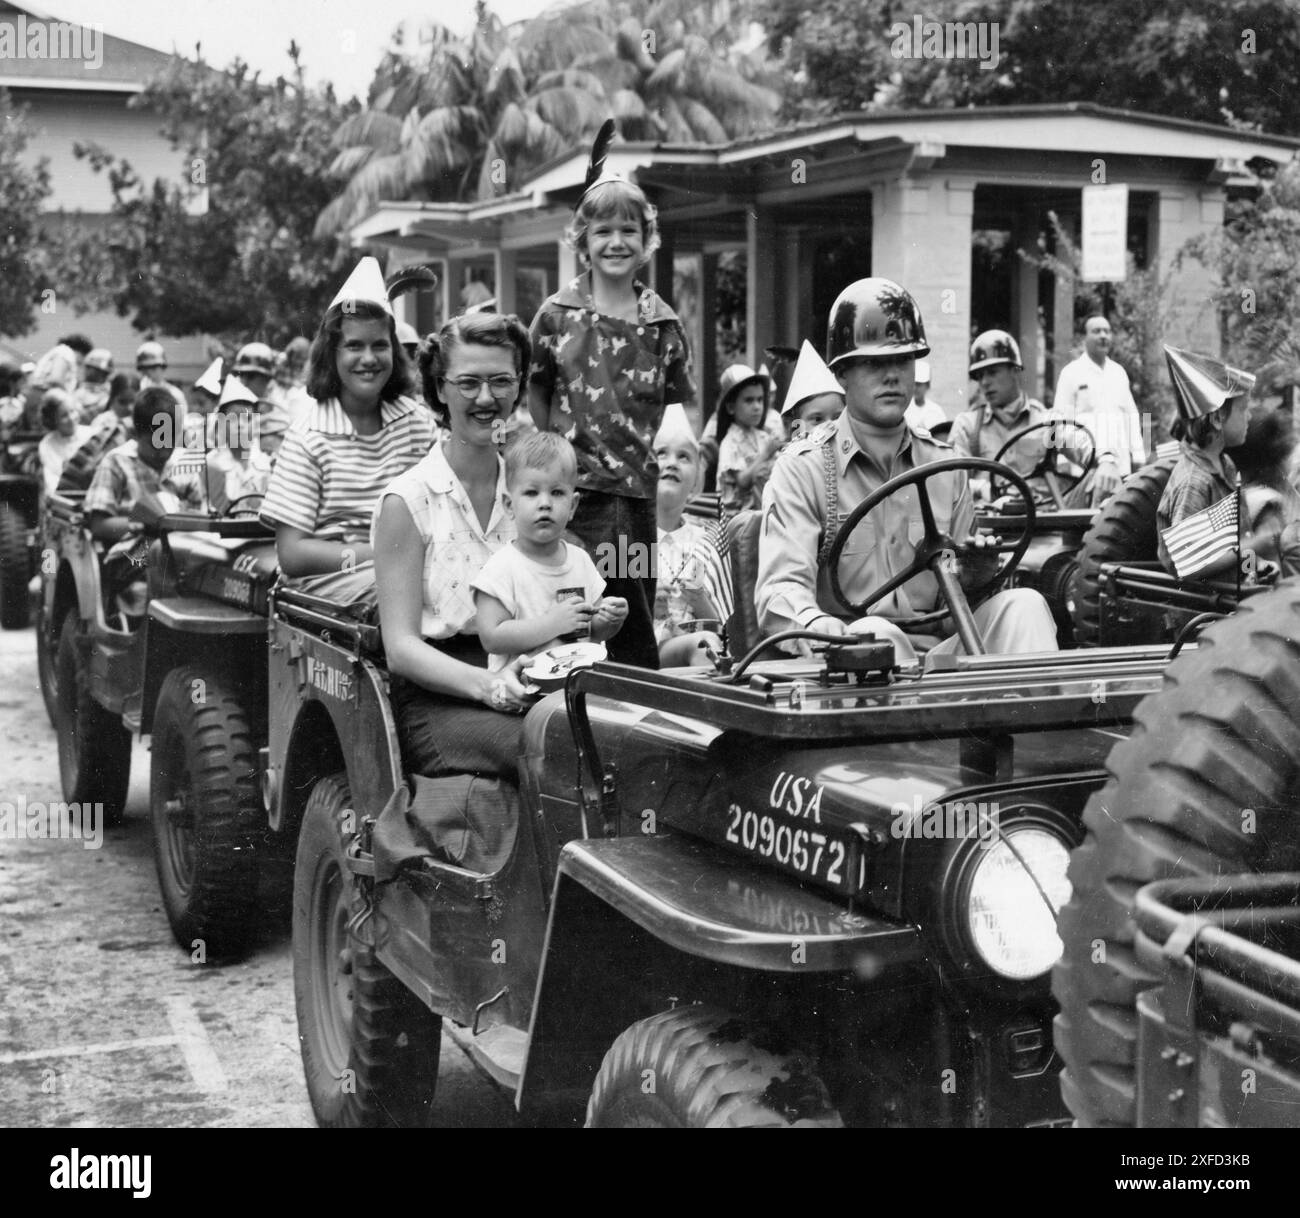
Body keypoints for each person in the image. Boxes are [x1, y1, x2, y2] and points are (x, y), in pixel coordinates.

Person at [756, 277, 1059, 665]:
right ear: (840, 374)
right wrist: (819, 625)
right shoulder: (804, 469)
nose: (891, 375)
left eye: (901, 360)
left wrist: (977, 576)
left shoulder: (946, 468)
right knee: (879, 635)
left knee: (1025, 606)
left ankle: (1021, 725)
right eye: (873, 362)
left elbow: (958, 616)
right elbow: (779, 592)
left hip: (938, 655)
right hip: (847, 663)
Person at [527, 133, 695, 668]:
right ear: (583, 240)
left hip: (637, 498)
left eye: (629, 230)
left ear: (647, 240)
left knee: (630, 607)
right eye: (603, 231)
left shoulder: (664, 323)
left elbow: (676, 404)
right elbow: (537, 390)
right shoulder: (556, 315)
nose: (616, 242)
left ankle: (637, 711)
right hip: (574, 494)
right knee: (572, 606)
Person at [373, 311, 537, 781]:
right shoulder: (408, 500)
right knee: (549, 750)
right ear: (440, 389)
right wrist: (488, 687)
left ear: (519, 386)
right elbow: (401, 648)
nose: (486, 399)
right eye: (468, 383)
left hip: (523, 678)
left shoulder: (531, 492)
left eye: (501, 381)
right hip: (438, 697)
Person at [260, 257, 436, 577]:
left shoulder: (417, 424)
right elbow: (293, 554)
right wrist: (378, 557)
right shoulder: (308, 437)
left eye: (379, 345)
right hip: (333, 587)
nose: (368, 359)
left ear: (393, 351)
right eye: (354, 346)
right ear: (332, 353)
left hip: (414, 572)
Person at [473, 431, 627, 671]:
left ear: (573, 505)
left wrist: (610, 620)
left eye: (557, 492)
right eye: (532, 492)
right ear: (508, 505)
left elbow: (593, 630)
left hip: (577, 682)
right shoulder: (502, 568)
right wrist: (552, 624)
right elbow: (491, 637)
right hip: (523, 691)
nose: (545, 503)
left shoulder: (580, 560)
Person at [1156, 345, 1291, 580]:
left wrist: (1255, 566)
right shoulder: (1194, 482)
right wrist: (1255, 546)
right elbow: (1190, 565)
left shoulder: (1226, 464)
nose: (1249, 416)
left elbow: (1235, 540)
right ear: (1218, 419)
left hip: (1232, 594)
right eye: (1243, 409)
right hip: (1204, 611)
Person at [83, 388, 206, 624]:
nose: (164, 450)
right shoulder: (116, 462)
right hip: (132, 553)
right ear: (137, 433)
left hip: (182, 550)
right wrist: (142, 524)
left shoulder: (186, 464)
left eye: (169, 440)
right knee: (147, 581)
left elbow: (199, 516)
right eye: (156, 442)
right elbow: (98, 524)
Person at [949, 330, 1090, 504]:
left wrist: (1106, 461)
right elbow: (950, 481)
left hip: (1042, 522)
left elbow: (1083, 446)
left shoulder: (1047, 422)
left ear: (1015, 370)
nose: (984, 382)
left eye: (992, 372)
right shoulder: (968, 425)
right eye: (980, 376)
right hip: (988, 525)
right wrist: (982, 488)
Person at [653, 403, 732, 666]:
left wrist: (698, 596)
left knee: (707, 644)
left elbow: (720, 626)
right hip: (643, 652)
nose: (672, 463)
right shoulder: (629, 538)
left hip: (693, 651)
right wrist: (647, 602)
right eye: (661, 454)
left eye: (683, 457)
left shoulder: (705, 540)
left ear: (697, 479)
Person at [1053, 314, 1145, 500]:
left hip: (1120, 467)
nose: (1103, 336)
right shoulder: (1071, 373)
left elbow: (1132, 416)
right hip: (1086, 470)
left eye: (1107, 331)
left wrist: (1139, 455)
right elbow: (1061, 421)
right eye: (1096, 331)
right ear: (1084, 338)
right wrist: (1063, 461)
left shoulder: (1119, 373)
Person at [715, 363, 783, 515]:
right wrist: (765, 454)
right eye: (749, 400)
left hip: (764, 512)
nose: (757, 406)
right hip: (738, 520)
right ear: (731, 407)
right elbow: (742, 481)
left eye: (760, 400)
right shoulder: (730, 442)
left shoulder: (763, 436)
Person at [205, 376, 273, 515]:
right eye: (233, 419)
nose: (241, 425)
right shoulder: (212, 463)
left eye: (247, 419)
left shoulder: (266, 463)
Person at [779, 341, 844, 441]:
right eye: (818, 419)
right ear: (796, 427)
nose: (830, 427)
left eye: (837, 418)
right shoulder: (790, 456)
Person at [37, 389, 93, 494]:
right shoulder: (48, 444)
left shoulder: (90, 433)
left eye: (72, 411)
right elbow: (52, 479)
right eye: (64, 416)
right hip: (66, 494)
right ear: (53, 420)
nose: (71, 418)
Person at [135, 341, 187, 408]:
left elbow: (179, 417)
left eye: (153, 368)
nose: (148, 372)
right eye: (143, 368)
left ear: (163, 367)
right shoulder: (135, 394)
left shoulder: (175, 395)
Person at [904, 358, 947, 433]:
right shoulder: (903, 408)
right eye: (913, 384)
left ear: (927, 386)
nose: (915, 388)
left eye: (918, 385)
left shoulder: (936, 411)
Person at [74, 348, 114, 420]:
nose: (86, 370)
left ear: (101, 371)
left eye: (90, 367)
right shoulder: (79, 390)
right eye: (87, 367)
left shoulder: (110, 393)